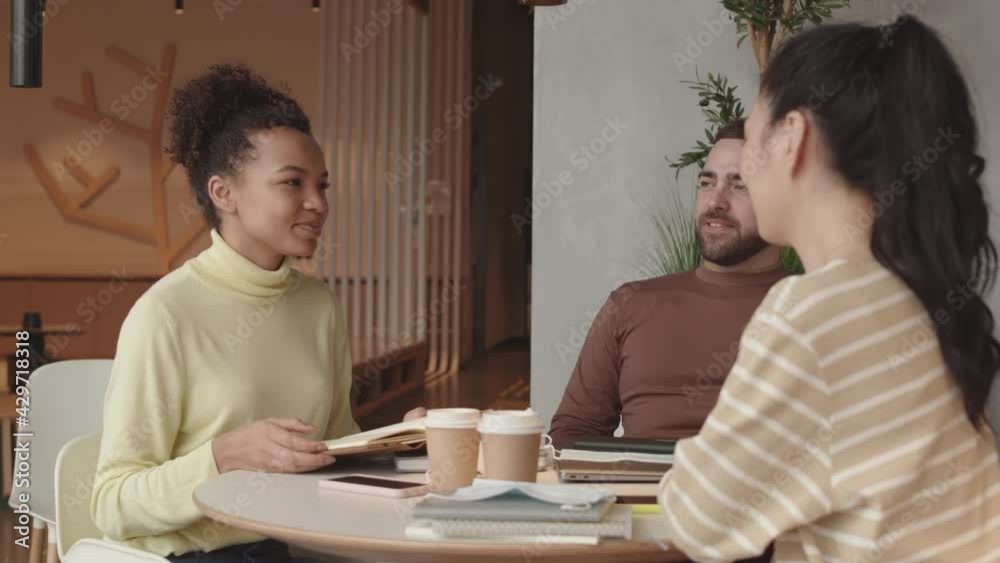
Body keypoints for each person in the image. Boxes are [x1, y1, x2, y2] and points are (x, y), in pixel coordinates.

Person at [659, 15, 1000, 562]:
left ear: (792, 136)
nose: (745, 162)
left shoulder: (814, 314)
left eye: (749, 137)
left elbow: (696, 520)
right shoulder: (913, 293)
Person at [90, 63, 424, 562]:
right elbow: (112, 503)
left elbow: (332, 447)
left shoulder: (318, 305)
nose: (317, 203)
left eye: (322, 185)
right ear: (223, 193)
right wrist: (221, 458)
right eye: (292, 183)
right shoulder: (165, 314)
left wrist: (401, 447)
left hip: (293, 544)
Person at [548, 119, 789, 448]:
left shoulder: (816, 308)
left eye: (740, 185)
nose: (715, 201)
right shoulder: (630, 304)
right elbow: (572, 434)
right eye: (706, 183)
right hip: (641, 496)